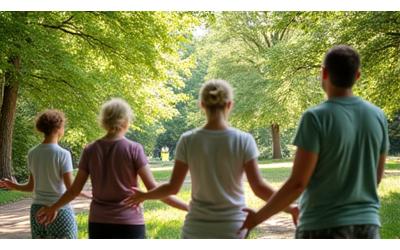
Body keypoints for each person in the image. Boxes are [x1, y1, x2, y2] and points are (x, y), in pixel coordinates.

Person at [239, 45, 389, 239]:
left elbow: (298, 184)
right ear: (357, 76)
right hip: (367, 227)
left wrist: (256, 218)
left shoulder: (315, 117)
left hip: (321, 226)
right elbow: (375, 177)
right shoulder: (378, 116)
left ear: (324, 73)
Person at [123, 79, 298, 239]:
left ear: (202, 105)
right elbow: (259, 188)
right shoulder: (244, 140)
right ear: (229, 105)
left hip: (196, 229)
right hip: (233, 227)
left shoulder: (188, 140)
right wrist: (290, 208)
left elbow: (172, 188)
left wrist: (145, 195)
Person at [36, 98, 188, 239]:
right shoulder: (134, 149)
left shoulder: (90, 150)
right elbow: (153, 189)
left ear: (103, 121)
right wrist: (189, 208)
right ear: (126, 121)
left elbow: (74, 190)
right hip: (130, 223)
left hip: (98, 223)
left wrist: (53, 208)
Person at [0, 109, 87, 239]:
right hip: (60, 211)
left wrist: (13, 185)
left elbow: (31, 186)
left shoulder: (32, 153)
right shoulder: (63, 154)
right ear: (59, 128)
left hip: (37, 212)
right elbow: (71, 190)